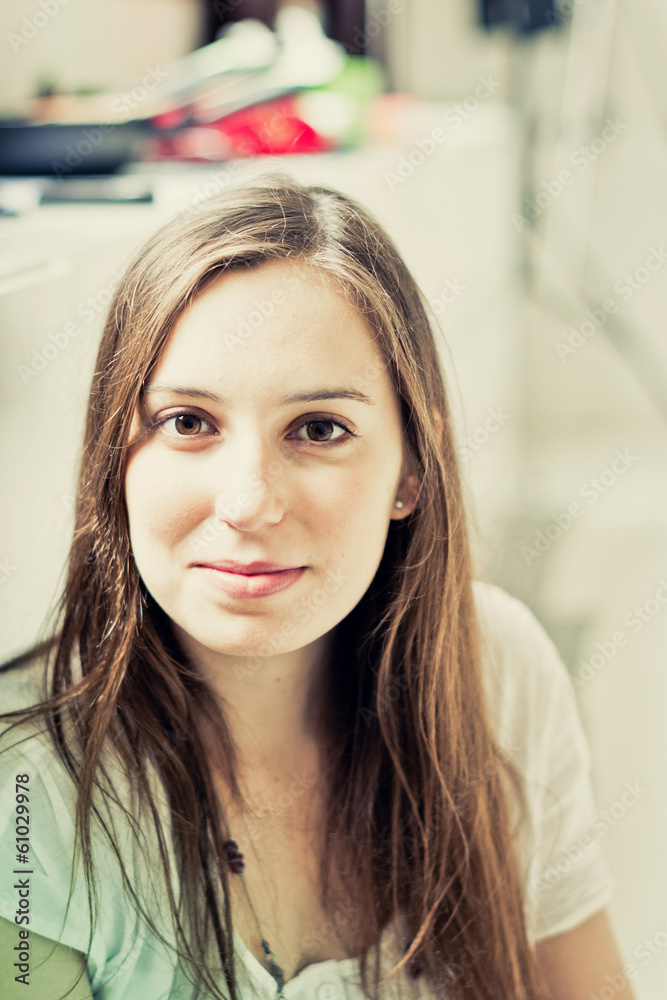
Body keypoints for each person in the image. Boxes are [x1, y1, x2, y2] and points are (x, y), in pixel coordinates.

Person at [0, 175, 634, 1000]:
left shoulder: (495, 669)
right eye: (188, 423)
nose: (248, 502)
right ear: (116, 453)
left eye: (319, 429)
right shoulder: (26, 799)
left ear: (411, 467)